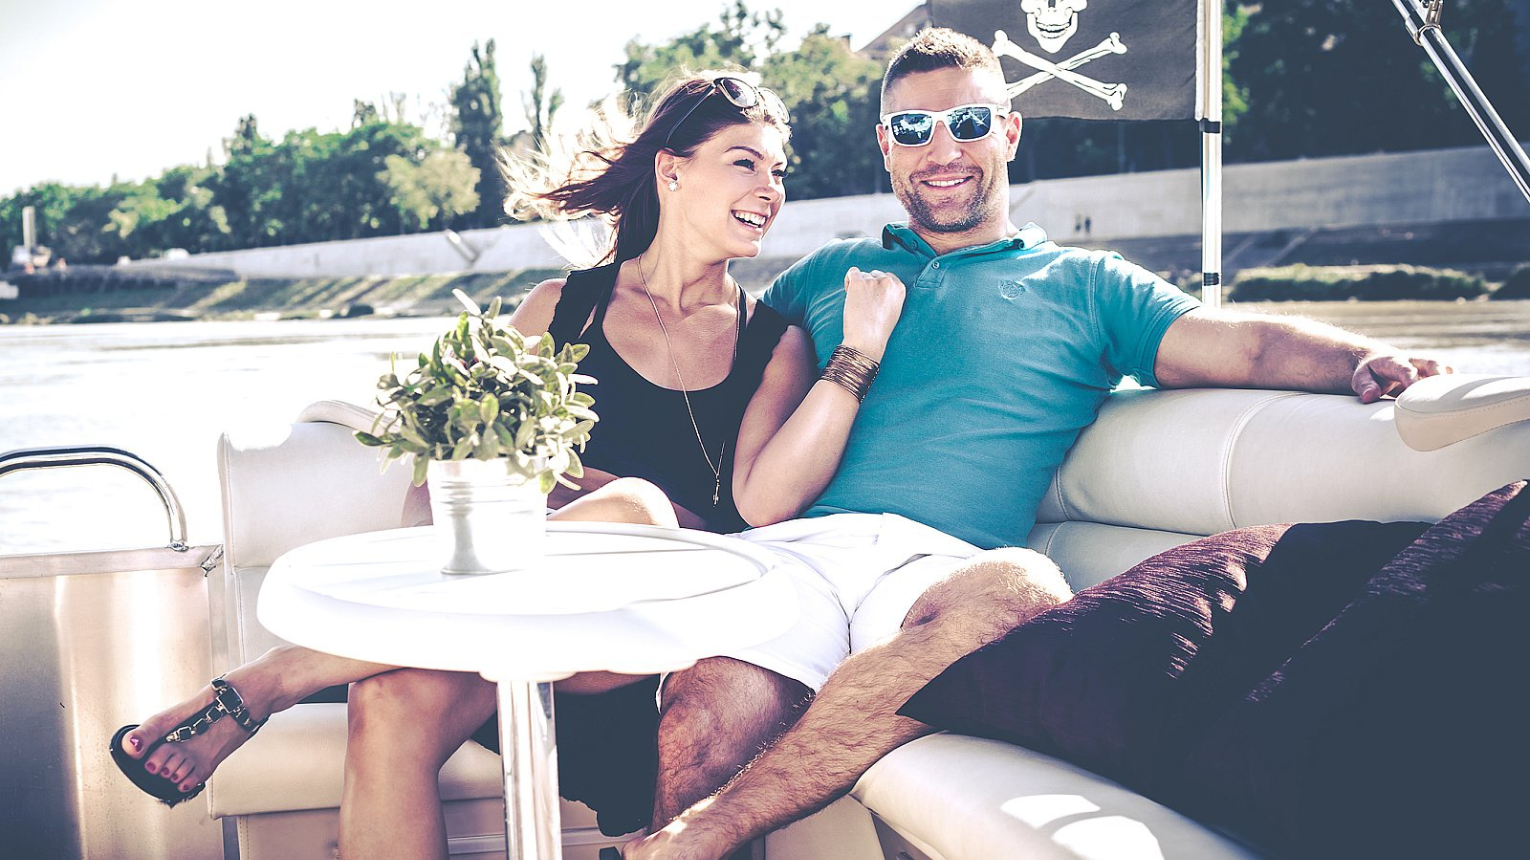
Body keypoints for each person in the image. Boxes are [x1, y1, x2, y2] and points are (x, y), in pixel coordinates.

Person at [619, 29, 1452, 860]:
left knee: (1021, 592)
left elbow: (1248, 348)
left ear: (1010, 131)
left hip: (939, 567)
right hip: (799, 550)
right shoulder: (822, 277)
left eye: (968, 122)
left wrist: (1359, 359)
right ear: (885, 146)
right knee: (703, 714)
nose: (942, 150)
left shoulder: (1088, 286)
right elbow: (707, 377)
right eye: (912, 129)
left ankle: (702, 835)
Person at [110, 70, 906, 839]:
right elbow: (441, 481)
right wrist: (512, 523)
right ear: (671, 171)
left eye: (778, 171)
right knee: (386, 704)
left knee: (637, 508)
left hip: (640, 643)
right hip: (498, 616)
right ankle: (297, 677)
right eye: (745, 163)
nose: (771, 188)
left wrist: (856, 355)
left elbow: (759, 509)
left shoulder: (774, 344)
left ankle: (276, 678)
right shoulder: (561, 310)